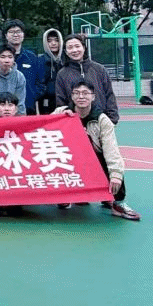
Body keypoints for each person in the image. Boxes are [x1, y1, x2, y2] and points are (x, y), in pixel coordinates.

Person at [54, 81, 140, 220]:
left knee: (112, 165)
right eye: (77, 93)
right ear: (72, 96)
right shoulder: (61, 112)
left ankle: (117, 203)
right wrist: (60, 119)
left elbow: (111, 150)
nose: (81, 97)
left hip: (93, 159)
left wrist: (116, 175)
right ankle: (65, 195)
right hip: (69, 159)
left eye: (85, 93)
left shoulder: (102, 120)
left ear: (93, 96)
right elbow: (44, 131)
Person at [55, 34, 119, 124]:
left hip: (99, 121)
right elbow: (61, 101)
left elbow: (109, 95)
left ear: (84, 48)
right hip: (74, 123)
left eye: (77, 46)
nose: (74, 50)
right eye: (70, 47)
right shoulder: (62, 74)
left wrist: (112, 119)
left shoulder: (99, 69)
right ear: (66, 51)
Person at [0, 91, 25, 217]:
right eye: (3, 105)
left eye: (10, 105)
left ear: (16, 109)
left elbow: (46, 122)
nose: (7, 109)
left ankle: (16, 203)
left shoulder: (25, 122)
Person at [2, 19, 42, 115]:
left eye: (18, 31)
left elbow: (40, 82)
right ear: (6, 35)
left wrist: (32, 96)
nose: (15, 35)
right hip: (4, 110)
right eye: (12, 32)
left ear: (23, 35)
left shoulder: (32, 57)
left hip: (28, 108)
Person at [38, 28, 63, 115]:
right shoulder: (40, 60)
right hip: (46, 102)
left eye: (56, 40)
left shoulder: (66, 60)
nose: (53, 43)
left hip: (64, 101)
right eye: (49, 41)